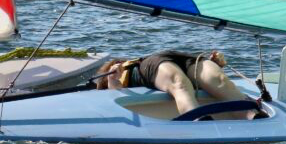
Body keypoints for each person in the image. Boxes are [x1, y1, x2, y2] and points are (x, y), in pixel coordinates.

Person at [96, 50, 264, 120]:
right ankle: (198, 118)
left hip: (185, 58)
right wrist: (112, 80)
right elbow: (115, 95)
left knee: (220, 82)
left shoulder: (129, 65)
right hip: (153, 65)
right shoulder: (122, 76)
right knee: (180, 84)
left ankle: (253, 115)